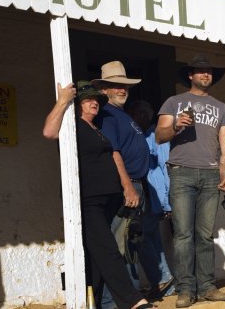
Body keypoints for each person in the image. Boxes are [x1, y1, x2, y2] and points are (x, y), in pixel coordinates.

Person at [43, 81, 152, 309]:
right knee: (107, 248)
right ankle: (132, 301)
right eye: (88, 99)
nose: (94, 103)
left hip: (108, 197)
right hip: (88, 197)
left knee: (96, 254)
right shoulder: (72, 125)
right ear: (78, 104)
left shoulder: (96, 128)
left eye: (97, 100)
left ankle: (92, 302)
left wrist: (125, 186)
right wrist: (63, 100)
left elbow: (114, 156)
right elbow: (49, 132)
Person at [155, 54, 225, 308]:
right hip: (182, 172)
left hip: (211, 174)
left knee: (204, 235)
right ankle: (186, 290)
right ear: (190, 75)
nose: (205, 75)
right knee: (182, 235)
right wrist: (177, 126)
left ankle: (207, 287)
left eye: (209, 71)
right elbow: (159, 136)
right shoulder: (174, 102)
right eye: (200, 71)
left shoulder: (220, 107)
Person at [92, 61, 168, 301]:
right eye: (115, 86)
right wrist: (127, 185)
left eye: (124, 86)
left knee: (131, 245)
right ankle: (116, 301)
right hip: (126, 187)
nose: (122, 90)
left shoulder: (122, 115)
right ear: (104, 89)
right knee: (120, 246)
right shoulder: (107, 115)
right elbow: (113, 152)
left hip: (137, 185)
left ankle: (129, 297)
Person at [126, 100, 174, 299]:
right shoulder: (139, 135)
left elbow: (164, 168)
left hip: (153, 195)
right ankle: (165, 282)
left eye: (139, 114)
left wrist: (166, 201)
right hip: (145, 195)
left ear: (146, 116)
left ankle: (161, 278)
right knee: (153, 239)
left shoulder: (156, 136)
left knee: (140, 238)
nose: (135, 118)